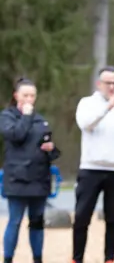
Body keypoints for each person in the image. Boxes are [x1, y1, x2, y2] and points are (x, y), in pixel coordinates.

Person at [72, 66, 114, 263]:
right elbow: (85, 123)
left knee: (113, 220)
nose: (113, 87)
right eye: (108, 83)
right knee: (81, 218)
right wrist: (108, 106)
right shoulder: (87, 103)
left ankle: (110, 258)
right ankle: (77, 258)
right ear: (99, 84)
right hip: (90, 168)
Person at [0, 78, 61, 263]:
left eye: (32, 95)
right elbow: (16, 135)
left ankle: (37, 259)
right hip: (17, 179)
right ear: (16, 95)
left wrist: (52, 149)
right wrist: (26, 116)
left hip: (39, 178)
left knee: (37, 222)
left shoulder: (41, 119)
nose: (29, 99)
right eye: (25, 95)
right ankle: (8, 259)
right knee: (15, 221)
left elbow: (48, 148)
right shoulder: (7, 117)